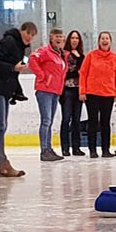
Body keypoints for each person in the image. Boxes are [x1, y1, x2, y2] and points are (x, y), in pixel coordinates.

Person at [0, 22, 36, 178]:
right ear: (21, 31)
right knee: (0, 126)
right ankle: (3, 164)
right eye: (28, 34)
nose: (30, 38)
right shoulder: (9, 41)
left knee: (2, 127)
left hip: (4, 90)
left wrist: (17, 90)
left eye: (33, 36)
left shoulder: (22, 47)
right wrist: (12, 67)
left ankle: (3, 164)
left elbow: (16, 70)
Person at [82, 31, 116, 158]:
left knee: (105, 122)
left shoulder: (115, 58)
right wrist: (82, 91)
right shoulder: (91, 55)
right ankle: (92, 150)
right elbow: (83, 73)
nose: (105, 40)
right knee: (93, 122)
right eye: (102, 38)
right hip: (92, 93)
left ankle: (106, 149)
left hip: (108, 94)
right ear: (99, 41)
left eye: (107, 38)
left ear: (110, 41)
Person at [30, 28, 69, 162]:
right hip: (45, 90)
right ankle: (44, 150)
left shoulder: (61, 55)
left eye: (61, 36)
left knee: (50, 121)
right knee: (46, 121)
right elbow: (32, 59)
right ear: (51, 38)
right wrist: (42, 76)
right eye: (56, 36)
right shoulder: (45, 51)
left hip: (55, 91)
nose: (59, 39)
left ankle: (49, 148)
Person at [61, 30, 87, 156]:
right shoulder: (64, 54)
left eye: (77, 38)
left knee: (76, 119)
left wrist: (78, 58)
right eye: (72, 38)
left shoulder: (81, 56)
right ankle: (65, 147)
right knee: (66, 118)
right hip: (66, 90)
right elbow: (66, 72)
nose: (74, 40)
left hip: (78, 90)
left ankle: (76, 147)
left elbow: (83, 72)